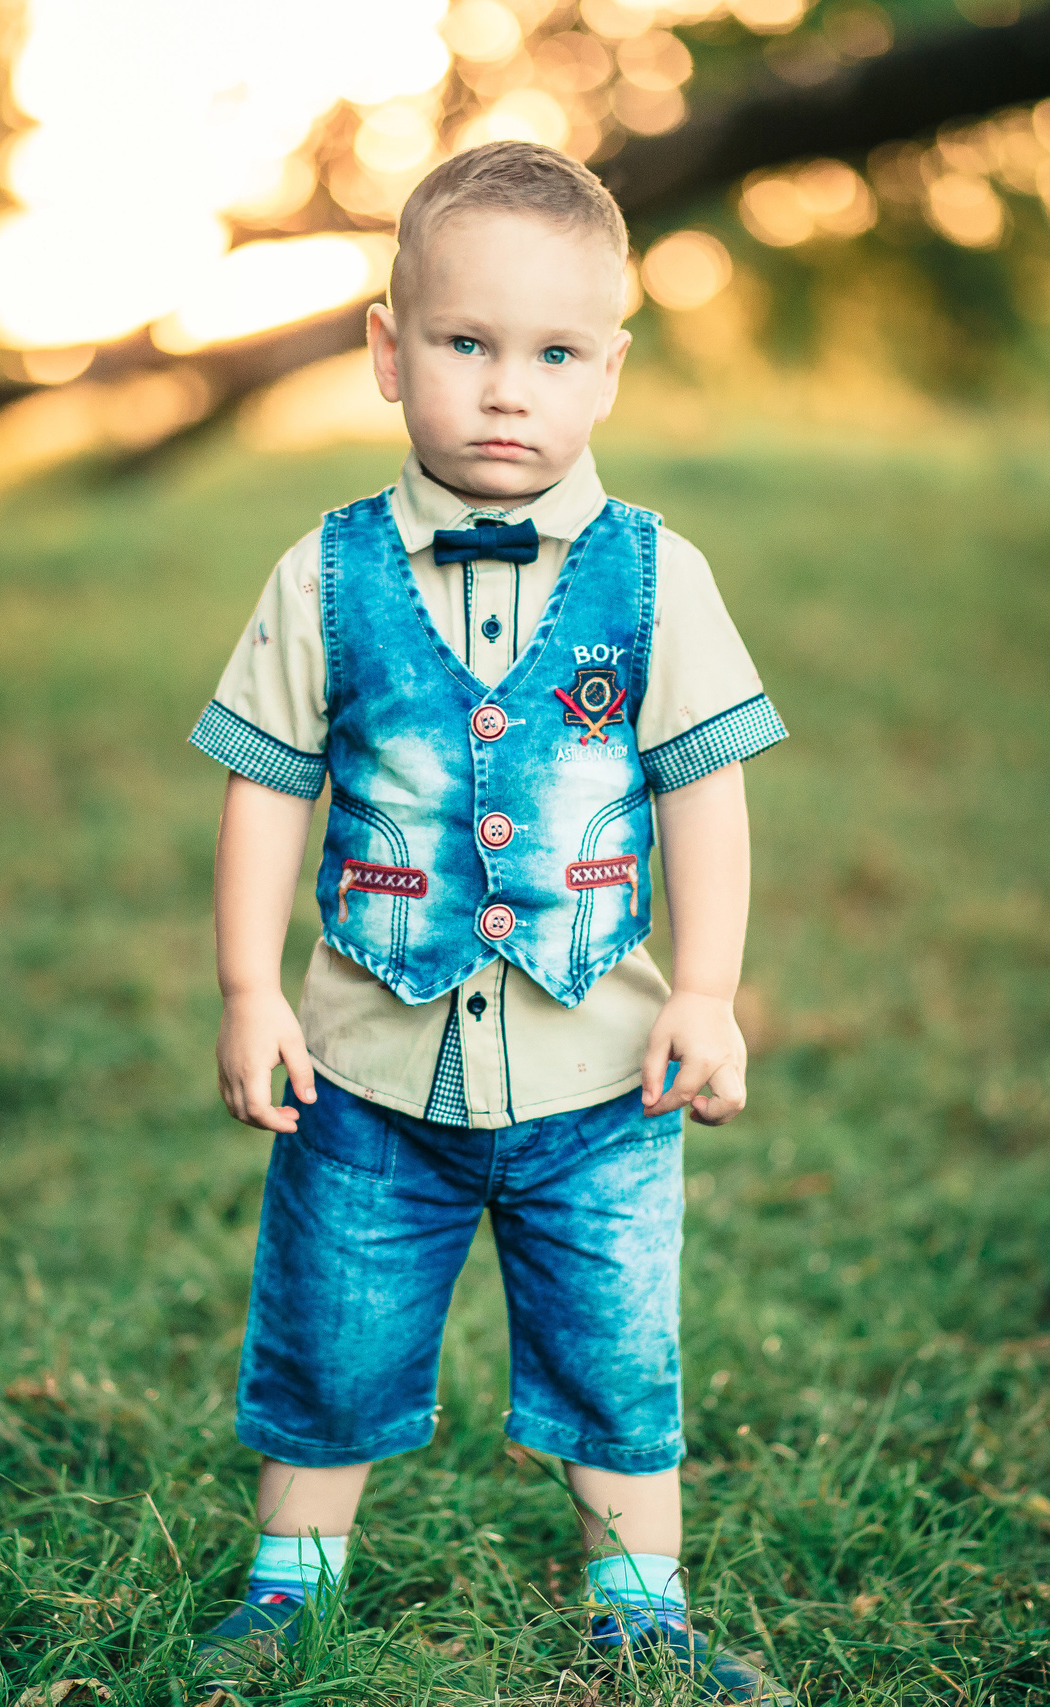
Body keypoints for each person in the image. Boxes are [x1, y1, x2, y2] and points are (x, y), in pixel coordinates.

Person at [184, 140, 789, 1702]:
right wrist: (253, 990)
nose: (507, 390)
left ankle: (640, 1613)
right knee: (334, 1336)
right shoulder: (323, 576)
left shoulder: (662, 579)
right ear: (390, 353)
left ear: (610, 373)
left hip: (599, 1079)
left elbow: (701, 789)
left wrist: (706, 992)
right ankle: (288, 1596)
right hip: (366, 1072)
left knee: (614, 1348)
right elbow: (266, 786)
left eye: (554, 355)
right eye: (465, 344)